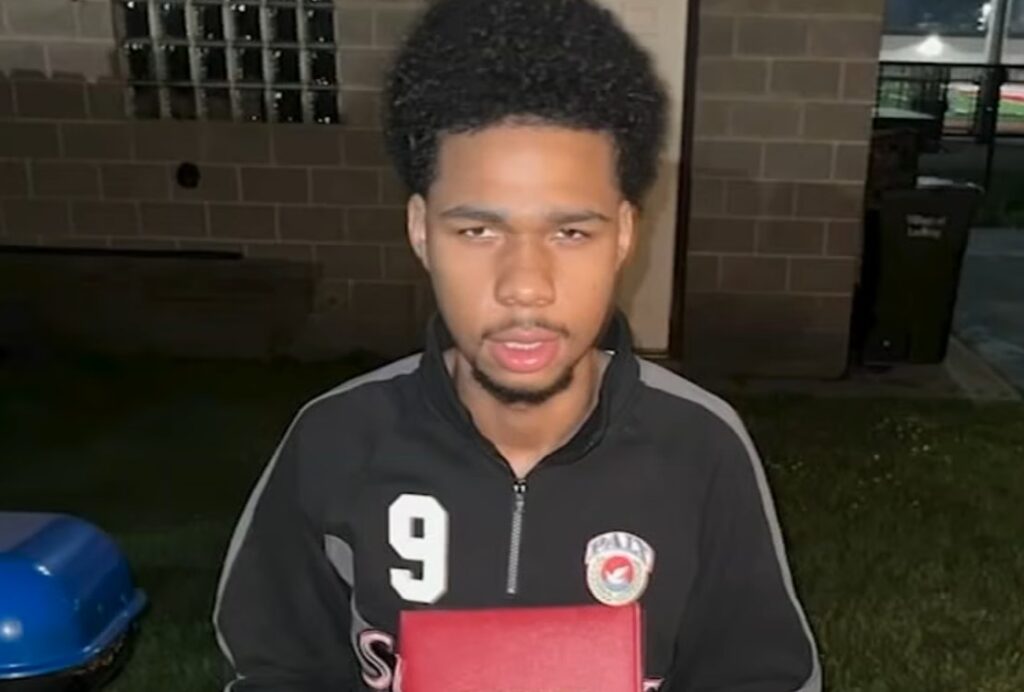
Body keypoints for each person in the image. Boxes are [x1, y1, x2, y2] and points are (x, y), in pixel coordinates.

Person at [213, 0, 820, 689]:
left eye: (571, 232)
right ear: (421, 231)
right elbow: (275, 670)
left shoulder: (701, 449)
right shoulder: (335, 441)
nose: (525, 287)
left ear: (624, 235)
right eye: (478, 231)